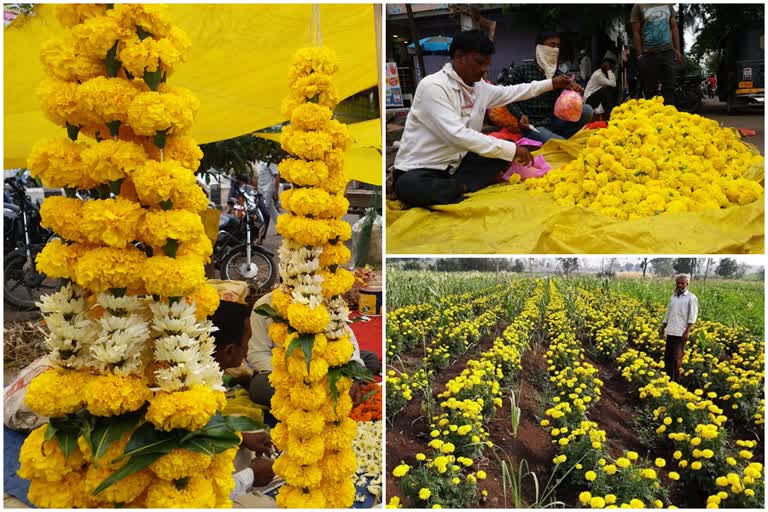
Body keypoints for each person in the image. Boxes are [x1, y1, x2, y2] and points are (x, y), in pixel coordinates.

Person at [391, 29, 573, 208]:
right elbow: (457, 135)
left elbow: (513, 91)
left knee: (502, 154)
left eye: (487, 64)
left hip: (457, 164)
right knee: (408, 186)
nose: (484, 69)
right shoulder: (433, 86)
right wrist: (511, 149)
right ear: (459, 56)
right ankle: (460, 186)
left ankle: (456, 187)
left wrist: (551, 83)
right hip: (421, 169)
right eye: (479, 63)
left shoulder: (480, 87)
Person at [247, 291, 381, 408]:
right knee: (259, 388)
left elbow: (345, 338)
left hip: (325, 368)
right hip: (288, 374)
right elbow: (258, 353)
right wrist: (293, 373)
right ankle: (320, 400)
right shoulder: (266, 305)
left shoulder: (327, 299)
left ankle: (323, 397)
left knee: (370, 359)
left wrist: (353, 377)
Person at [210, 301, 276, 496]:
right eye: (248, 339)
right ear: (230, 350)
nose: (248, 348)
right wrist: (250, 476)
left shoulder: (208, 376)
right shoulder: (193, 396)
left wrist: (241, 438)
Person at [502, 31, 594, 144]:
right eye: (552, 45)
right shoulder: (522, 70)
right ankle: (556, 140)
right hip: (533, 125)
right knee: (561, 144)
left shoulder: (558, 74)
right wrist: (519, 115)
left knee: (587, 110)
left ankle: (556, 138)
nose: (555, 49)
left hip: (554, 121)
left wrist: (573, 92)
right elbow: (507, 95)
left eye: (558, 46)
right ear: (539, 47)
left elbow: (565, 103)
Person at [630, 4, 681, 106]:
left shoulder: (668, 5)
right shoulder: (638, 6)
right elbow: (636, 32)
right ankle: (652, 119)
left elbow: (674, 27)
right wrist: (640, 55)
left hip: (667, 53)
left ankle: (669, 118)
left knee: (670, 88)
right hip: (649, 54)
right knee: (650, 91)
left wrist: (677, 50)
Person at [659, 274, 698, 383]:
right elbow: (668, 313)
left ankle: (676, 381)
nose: (680, 285)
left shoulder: (691, 298)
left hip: (681, 332)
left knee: (677, 359)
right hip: (671, 330)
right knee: (668, 357)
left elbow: (692, 317)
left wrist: (687, 331)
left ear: (687, 284)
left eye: (682, 283)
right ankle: (667, 379)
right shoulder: (673, 297)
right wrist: (662, 327)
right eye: (678, 283)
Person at [584, 51, 618, 118]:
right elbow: (613, 84)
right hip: (589, 99)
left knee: (608, 91)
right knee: (606, 89)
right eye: (607, 65)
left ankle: (610, 113)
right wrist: (609, 70)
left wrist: (609, 70)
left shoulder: (606, 73)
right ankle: (611, 114)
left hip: (597, 98)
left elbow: (614, 83)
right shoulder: (598, 74)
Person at [251, 159, 281, 233]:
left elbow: (277, 176)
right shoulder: (259, 162)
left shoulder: (270, 162)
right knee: (271, 209)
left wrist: (276, 192)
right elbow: (257, 177)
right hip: (261, 190)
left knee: (263, 211)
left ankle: (261, 232)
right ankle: (282, 227)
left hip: (268, 189)